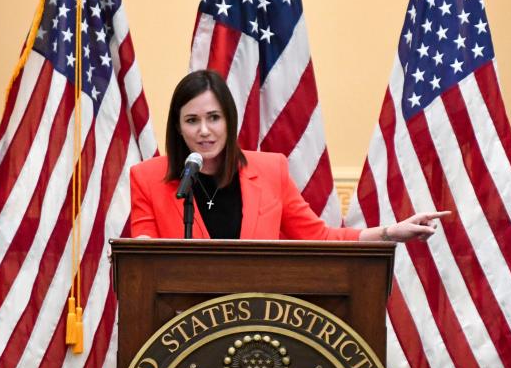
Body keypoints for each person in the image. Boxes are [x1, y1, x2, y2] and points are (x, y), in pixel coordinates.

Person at [129, 70, 449, 241]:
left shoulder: (271, 171)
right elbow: (143, 250)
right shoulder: (146, 178)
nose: (204, 131)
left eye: (214, 117)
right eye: (192, 120)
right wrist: (133, 255)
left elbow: (319, 236)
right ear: (178, 127)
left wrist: (391, 231)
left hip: (256, 328)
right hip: (178, 333)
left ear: (229, 120)